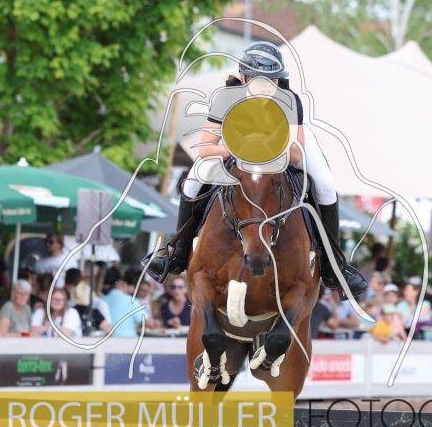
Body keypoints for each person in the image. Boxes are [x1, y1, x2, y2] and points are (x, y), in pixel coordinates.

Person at [146, 40, 368, 299]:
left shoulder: (289, 100)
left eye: (271, 80)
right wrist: (235, 150)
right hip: (236, 146)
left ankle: (334, 265)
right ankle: (177, 252)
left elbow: (296, 152)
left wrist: (265, 150)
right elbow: (206, 147)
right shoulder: (227, 98)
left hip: (283, 147)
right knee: (194, 180)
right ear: (244, 78)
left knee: (326, 185)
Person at [101, 267, 148, 338]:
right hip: (128, 339)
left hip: (108, 339)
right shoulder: (130, 300)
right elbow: (148, 322)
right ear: (123, 283)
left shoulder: (103, 299)